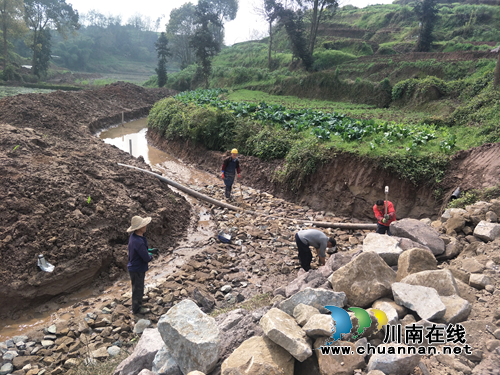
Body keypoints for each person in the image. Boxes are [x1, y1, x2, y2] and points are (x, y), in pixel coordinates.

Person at [127, 215, 153, 315]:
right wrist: (150, 255)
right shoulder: (138, 242)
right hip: (137, 268)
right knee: (138, 288)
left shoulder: (134, 237)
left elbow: (138, 251)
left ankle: (138, 301)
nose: (146, 226)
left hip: (134, 267)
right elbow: (146, 258)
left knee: (137, 287)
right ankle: (137, 309)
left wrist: (148, 250)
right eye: (144, 225)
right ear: (140, 228)